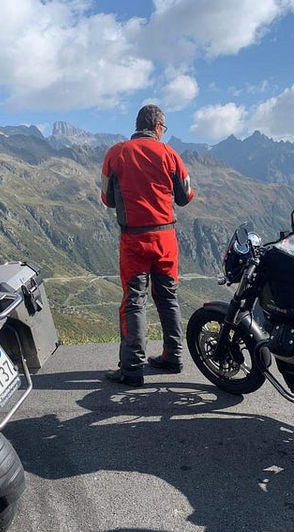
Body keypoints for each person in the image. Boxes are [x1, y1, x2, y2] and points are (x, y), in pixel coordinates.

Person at [100, 104, 194, 387]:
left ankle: (131, 369)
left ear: (138, 124)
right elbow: (186, 196)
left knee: (134, 301)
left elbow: (107, 198)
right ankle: (173, 356)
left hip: (134, 240)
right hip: (165, 239)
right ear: (158, 128)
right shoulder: (171, 155)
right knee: (167, 297)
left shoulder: (116, 154)